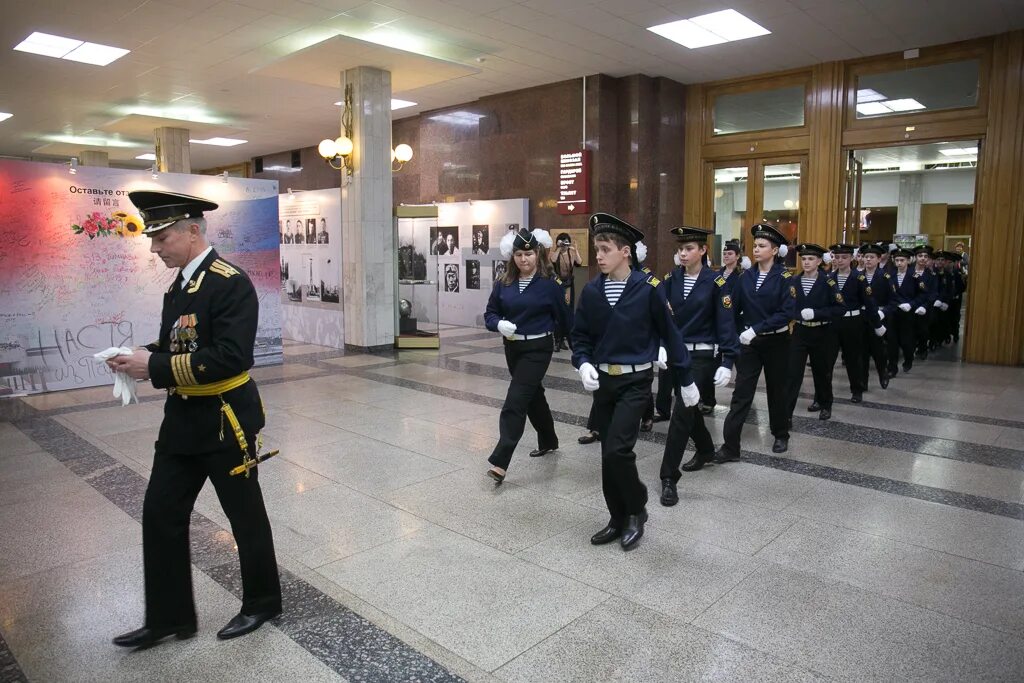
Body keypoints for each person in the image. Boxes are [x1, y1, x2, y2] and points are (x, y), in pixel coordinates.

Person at [107, 191, 281, 648]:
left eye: (161, 237)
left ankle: (262, 602)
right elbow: (181, 345)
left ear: (192, 231)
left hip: (225, 420)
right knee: (160, 514)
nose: (154, 247)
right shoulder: (180, 285)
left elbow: (230, 356)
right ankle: (169, 617)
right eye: (153, 238)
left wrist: (157, 369)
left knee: (245, 517)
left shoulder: (229, 282)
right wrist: (144, 355)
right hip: (182, 420)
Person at [571, 212, 698, 550]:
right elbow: (580, 336)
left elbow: (671, 335)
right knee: (606, 456)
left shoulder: (649, 288)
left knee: (618, 449)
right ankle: (617, 516)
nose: (598, 255)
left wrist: (685, 378)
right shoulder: (593, 291)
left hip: (635, 382)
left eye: (605, 248)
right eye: (596, 249)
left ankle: (637, 509)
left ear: (625, 252)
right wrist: (582, 364)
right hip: (605, 385)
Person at [658, 227, 738, 504]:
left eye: (689, 248)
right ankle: (705, 449)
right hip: (676, 355)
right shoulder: (670, 279)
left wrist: (727, 361)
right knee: (688, 408)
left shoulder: (716, 283)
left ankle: (668, 476)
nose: (683, 253)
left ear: (703, 251)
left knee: (681, 411)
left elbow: (726, 323)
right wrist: (660, 345)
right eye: (680, 248)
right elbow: (662, 317)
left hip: (703, 357)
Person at [483, 228, 569, 483]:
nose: (524, 259)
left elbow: (565, 319)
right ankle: (549, 439)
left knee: (516, 400)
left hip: (538, 348)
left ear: (538, 254)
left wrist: (581, 354)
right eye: (519, 254)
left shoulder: (549, 285)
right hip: (514, 348)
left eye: (529, 254)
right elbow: (490, 313)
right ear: (513, 256)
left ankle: (500, 461)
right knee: (533, 395)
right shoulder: (504, 282)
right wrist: (498, 324)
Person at [715, 223, 794, 459]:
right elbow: (733, 308)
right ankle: (730, 446)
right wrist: (732, 334)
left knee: (777, 390)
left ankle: (781, 434)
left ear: (774, 250)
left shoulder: (784, 277)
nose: (756, 249)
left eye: (762, 246)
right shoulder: (745, 277)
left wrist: (757, 329)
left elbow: (786, 312)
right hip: (749, 344)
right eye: (755, 245)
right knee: (741, 393)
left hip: (776, 342)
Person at [786, 244, 845, 421]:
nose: (806, 262)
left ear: (819, 261)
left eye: (811, 259)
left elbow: (840, 308)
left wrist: (817, 313)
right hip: (800, 332)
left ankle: (825, 403)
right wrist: (797, 315)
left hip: (822, 332)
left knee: (822, 372)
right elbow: (787, 306)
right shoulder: (793, 281)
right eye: (803, 259)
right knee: (793, 374)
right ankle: (786, 414)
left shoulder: (828, 282)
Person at [829, 243, 883, 403]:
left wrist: (877, 323)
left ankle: (857, 389)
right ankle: (824, 394)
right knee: (828, 360)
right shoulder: (829, 278)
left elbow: (870, 302)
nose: (840, 260)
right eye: (837, 257)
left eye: (844, 257)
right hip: (834, 322)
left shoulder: (859, 278)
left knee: (853, 358)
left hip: (853, 321)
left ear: (851, 258)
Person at [885, 247, 928, 373]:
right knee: (892, 341)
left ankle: (908, 359)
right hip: (893, 312)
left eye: (902, 260)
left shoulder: (914, 276)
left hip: (908, 314)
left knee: (907, 341)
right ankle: (892, 367)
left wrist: (911, 304)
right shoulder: (890, 275)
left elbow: (923, 294)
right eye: (897, 260)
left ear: (908, 261)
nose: (899, 263)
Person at [857, 243, 892, 390]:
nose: (868, 260)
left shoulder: (885, 277)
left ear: (879, 259)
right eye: (866, 257)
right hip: (862, 317)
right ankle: (863, 381)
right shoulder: (858, 276)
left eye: (872, 257)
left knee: (878, 350)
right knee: (862, 351)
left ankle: (882, 372)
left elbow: (893, 300)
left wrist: (883, 312)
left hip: (878, 317)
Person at [550, 232, 581, 352]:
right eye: (562, 241)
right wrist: (558, 248)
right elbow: (552, 260)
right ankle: (557, 340)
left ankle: (566, 338)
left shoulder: (571, 253)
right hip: (557, 284)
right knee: (557, 311)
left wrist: (576, 250)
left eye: (566, 241)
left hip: (568, 284)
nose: (564, 244)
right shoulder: (554, 253)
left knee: (567, 311)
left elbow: (579, 262)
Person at [911, 245, 938, 360]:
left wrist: (924, 306)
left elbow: (933, 293)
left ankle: (922, 349)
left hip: (924, 308)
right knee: (909, 331)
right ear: (915, 257)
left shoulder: (931, 275)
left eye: (925, 256)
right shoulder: (908, 271)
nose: (923, 258)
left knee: (923, 331)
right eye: (920, 256)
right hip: (910, 306)